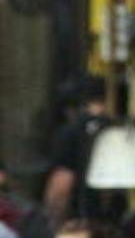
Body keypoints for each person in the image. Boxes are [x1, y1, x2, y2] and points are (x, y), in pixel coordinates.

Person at [42, 74, 126, 225]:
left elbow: (61, 186)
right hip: (116, 224)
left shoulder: (69, 132)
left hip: (82, 223)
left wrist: (55, 225)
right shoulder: (119, 131)